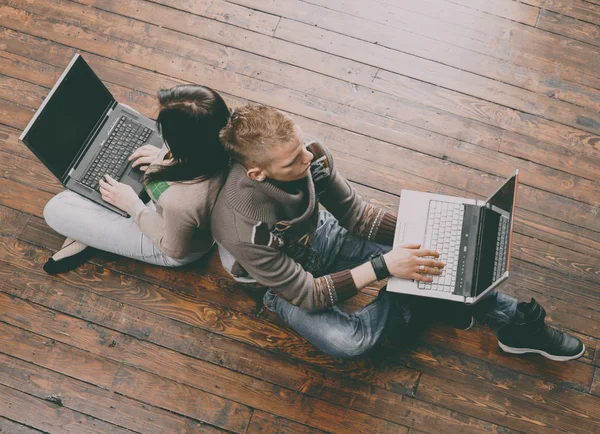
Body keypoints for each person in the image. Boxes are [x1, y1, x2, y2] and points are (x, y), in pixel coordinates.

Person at [211, 104, 584, 362]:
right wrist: (386, 265)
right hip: (281, 287)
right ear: (258, 173)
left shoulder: (309, 154)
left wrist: (428, 228)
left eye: (300, 145)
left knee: (433, 250)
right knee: (350, 342)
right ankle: (427, 298)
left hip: (323, 238)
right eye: (293, 161)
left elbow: (356, 215)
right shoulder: (240, 225)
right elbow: (305, 293)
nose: (307, 160)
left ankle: (515, 320)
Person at [43, 85, 230, 273]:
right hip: (171, 209)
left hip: (167, 238)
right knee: (123, 113)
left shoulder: (181, 202)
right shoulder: (223, 141)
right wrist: (164, 156)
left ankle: (91, 235)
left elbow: (174, 249)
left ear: (183, 143)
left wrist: (132, 205)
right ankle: (96, 226)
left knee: (56, 209)